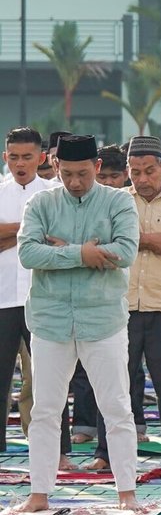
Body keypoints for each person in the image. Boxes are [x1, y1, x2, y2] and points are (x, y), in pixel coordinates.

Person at [14, 135, 141, 512]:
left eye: (83, 174)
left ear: (97, 168)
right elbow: (27, 252)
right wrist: (84, 252)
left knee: (117, 408)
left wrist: (59, 251)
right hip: (50, 320)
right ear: (55, 168)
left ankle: (127, 493)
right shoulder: (41, 202)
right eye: (67, 174)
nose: (74, 182)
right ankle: (39, 494)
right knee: (45, 411)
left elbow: (125, 251)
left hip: (103, 320)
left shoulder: (119, 201)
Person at [90, 136, 161, 472]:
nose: (142, 178)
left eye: (149, 171)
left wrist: (137, 242)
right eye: (135, 171)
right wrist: (155, 241)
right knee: (113, 381)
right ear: (128, 171)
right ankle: (105, 452)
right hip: (118, 305)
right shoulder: (113, 200)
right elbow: (102, 244)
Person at [0, 128, 56, 457]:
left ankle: (54, 447)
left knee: (49, 377)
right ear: (6, 157)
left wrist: (10, 235)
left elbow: (59, 236)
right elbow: (43, 235)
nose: (20, 163)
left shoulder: (54, 193)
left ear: (42, 158)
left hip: (45, 298)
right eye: (14, 157)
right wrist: (31, 230)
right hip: (3, 297)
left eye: (27, 157)